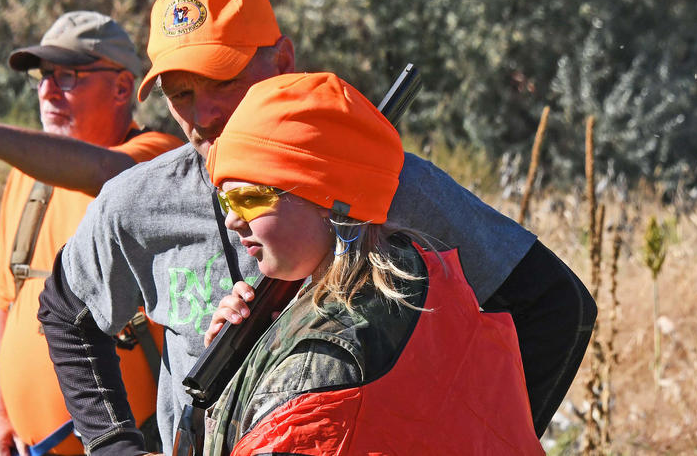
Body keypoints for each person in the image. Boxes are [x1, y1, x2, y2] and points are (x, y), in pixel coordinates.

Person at [36, 0, 596, 454]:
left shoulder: (382, 179)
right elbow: (65, 309)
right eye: (180, 93)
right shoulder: (139, 202)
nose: (204, 114)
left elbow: (552, 306)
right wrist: (113, 444)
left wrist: (480, 436)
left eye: (224, 80)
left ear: (282, 61)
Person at [0, 11, 182, 456]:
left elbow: (104, 171)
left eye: (67, 76)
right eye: (43, 77)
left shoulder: (159, 162)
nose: (47, 91)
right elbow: (4, 302)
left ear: (122, 87)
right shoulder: (28, 177)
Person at [200, 71, 543, 455]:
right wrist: (245, 368)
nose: (231, 220)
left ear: (325, 197)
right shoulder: (421, 274)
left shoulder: (318, 364)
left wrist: (268, 373)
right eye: (226, 202)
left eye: (249, 199)